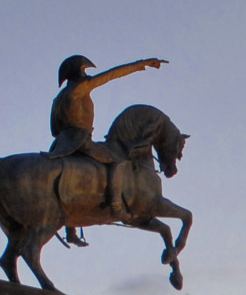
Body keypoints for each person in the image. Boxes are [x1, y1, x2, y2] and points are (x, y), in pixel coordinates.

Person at [47, 53, 166, 224]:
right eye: (83, 70)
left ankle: (70, 228)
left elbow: (54, 128)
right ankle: (116, 206)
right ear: (76, 72)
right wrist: (142, 64)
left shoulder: (59, 98)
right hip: (80, 141)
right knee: (118, 161)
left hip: (61, 143)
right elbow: (110, 75)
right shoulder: (80, 88)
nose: (86, 74)